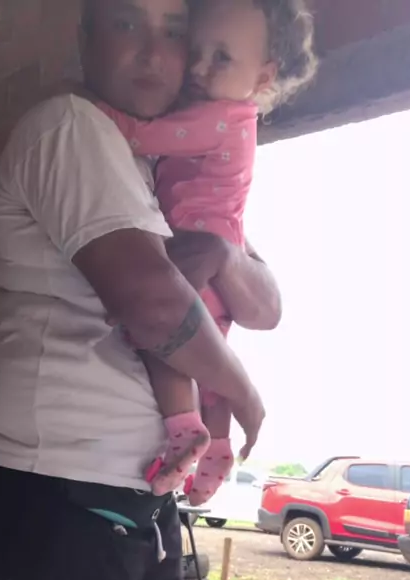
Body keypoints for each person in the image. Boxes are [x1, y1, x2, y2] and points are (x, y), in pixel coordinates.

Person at [0, 0, 281, 580]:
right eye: (127, 23)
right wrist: (245, 395)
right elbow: (152, 303)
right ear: (86, 38)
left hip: (139, 505)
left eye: (175, 31)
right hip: (45, 498)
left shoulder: (164, 166)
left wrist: (225, 252)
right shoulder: (71, 127)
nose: (156, 53)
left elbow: (267, 307)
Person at [98, 0, 317, 505]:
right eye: (195, 50)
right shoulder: (231, 119)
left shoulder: (220, 118)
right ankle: (216, 445)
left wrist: (86, 107)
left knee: (164, 340)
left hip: (194, 249)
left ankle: (185, 430)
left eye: (221, 57)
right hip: (213, 250)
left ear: (263, 77)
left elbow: (138, 135)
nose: (198, 67)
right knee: (208, 355)